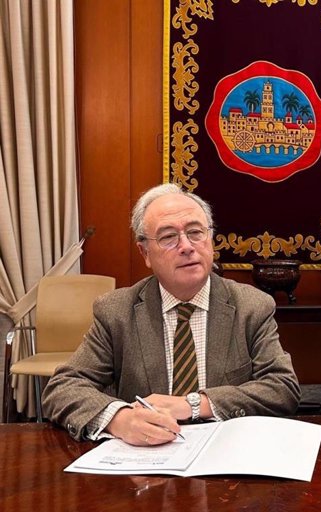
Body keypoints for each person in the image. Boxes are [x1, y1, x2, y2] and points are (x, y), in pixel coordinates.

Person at [43, 184, 300, 445]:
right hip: (146, 463)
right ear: (145, 253)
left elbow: (282, 388)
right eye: (168, 237)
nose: (186, 246)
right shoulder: (116, 311)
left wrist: (194, 404)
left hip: (225, 456)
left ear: (210, 240)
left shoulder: (251, 306)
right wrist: (118, 419)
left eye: (195, 232)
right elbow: (63, 387)